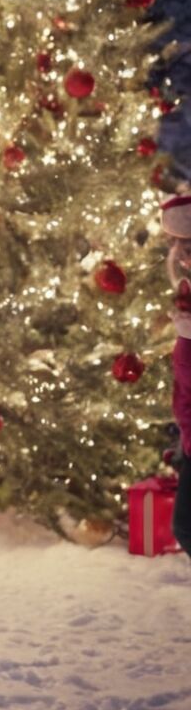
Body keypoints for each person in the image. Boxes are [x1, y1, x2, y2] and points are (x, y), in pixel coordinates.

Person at [159, 196, 191, 557]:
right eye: (179, 248)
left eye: (189, 248)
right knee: (185, 524)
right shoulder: (186, 296)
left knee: (186, 524)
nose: (182, 257)